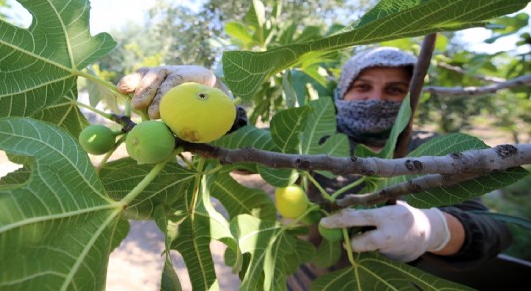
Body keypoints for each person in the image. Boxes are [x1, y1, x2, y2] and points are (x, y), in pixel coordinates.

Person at [116, 46, 513, 288]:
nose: (377, 98)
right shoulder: (311, 139)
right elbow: (249, 149)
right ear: (343, 94)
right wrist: (212, 105)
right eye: (363, 87)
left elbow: (495, 232)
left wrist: (433, 230)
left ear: (410, 100)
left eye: (394, 90)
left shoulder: (431, 154)